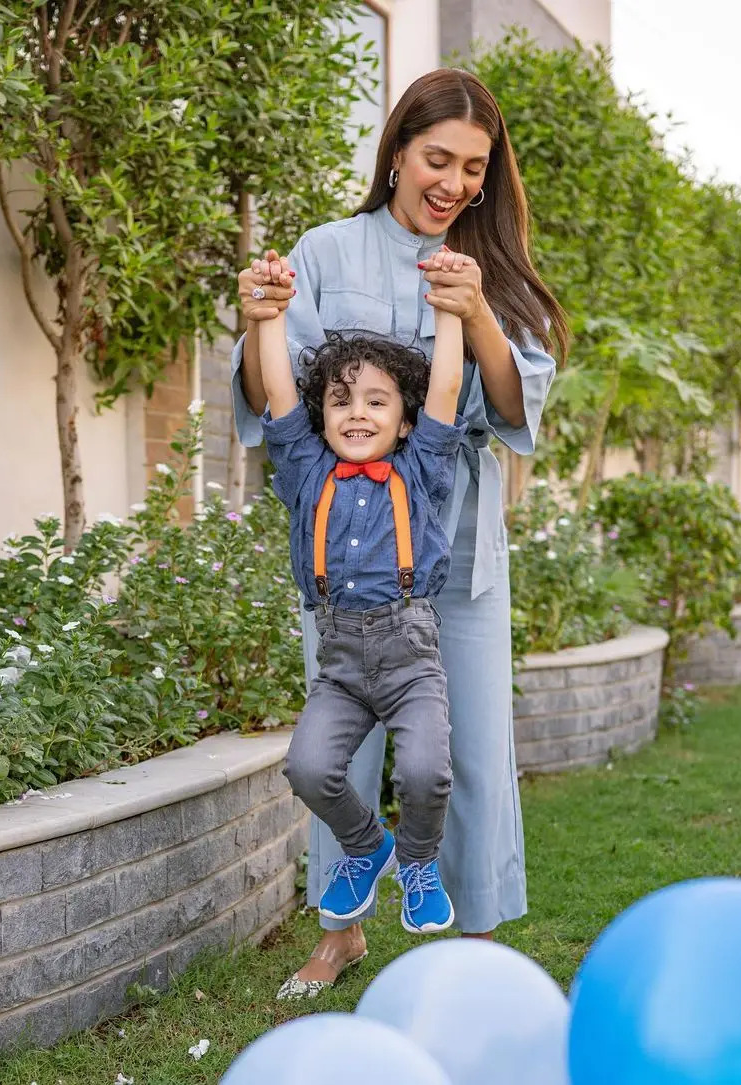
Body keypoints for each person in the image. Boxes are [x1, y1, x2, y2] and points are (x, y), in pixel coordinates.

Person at [231, 68, 569, 1001]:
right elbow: (276, 397)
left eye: (474, 167)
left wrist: (478, 319)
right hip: (351, 556)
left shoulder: (487, 269)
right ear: (396, 154)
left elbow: (512, 408)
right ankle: (341, 930)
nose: (455, 182)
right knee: (342, 740)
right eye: (437, 159)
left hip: (459, 547)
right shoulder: (330, 252)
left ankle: (480, 931)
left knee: (466, 747)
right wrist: (256, 311)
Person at [258, 270, 469, 935]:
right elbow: (275, 391)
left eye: (378, 403)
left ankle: (416, 862)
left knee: (427, 772)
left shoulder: (419, 468)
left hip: (410, 653)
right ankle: (363, 843)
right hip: (341, 661)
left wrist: (452, 310)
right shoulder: (305, 470)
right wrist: (271, 312)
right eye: (341, 400)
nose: (357, 413)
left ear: (405, 422)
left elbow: (448, 388)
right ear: (321, 415)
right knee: (309, 766)